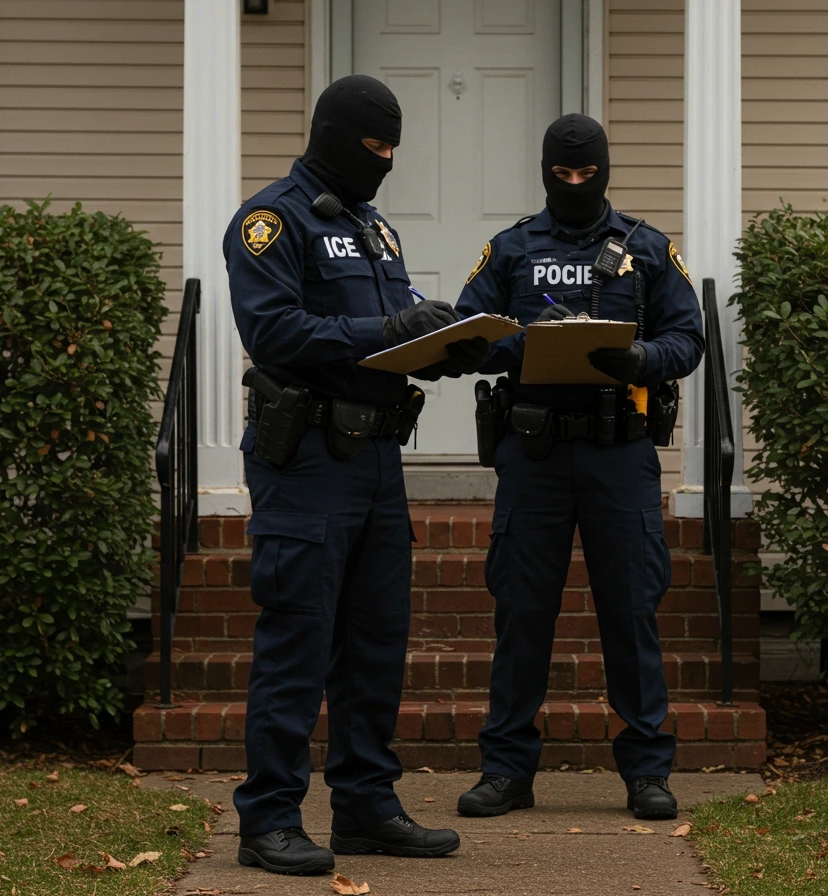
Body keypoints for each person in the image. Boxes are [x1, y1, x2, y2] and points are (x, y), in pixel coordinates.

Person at [223, 75, 485, 876]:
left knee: (376, 644)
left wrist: (450, 346)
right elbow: (274, 331)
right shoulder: (273, 221)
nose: (385, 163)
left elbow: (391, 328)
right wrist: (388, 326)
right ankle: (268, 818)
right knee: (299, 639)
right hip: (306, 459)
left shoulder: (376, 231)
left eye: (394, 151)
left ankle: (366, 806)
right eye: (374, 148)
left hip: (375, 461)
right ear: (335, 135)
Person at [453, 113, 704, 821]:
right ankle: (506, 771)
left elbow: (688, 336)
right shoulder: (510, 250)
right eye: (560, 175)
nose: (572, 184)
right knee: (522, 612)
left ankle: (647, 772)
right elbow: (470, 333)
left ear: (603, 171)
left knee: (631, 610)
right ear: (543, 172)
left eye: (584, 174)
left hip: (618, 453)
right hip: (533, 454)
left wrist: (642, 359)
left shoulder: (647, 249)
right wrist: (518, 345)